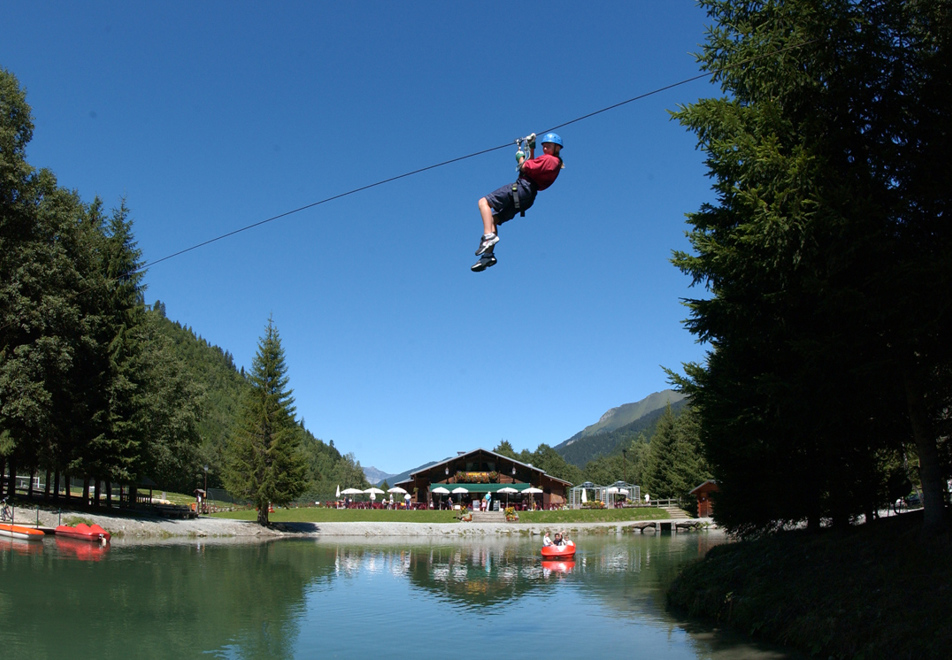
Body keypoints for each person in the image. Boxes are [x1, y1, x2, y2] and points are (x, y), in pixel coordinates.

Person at [472, 132, 564, 272]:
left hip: (522, 188)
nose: (545, 149)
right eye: (544, 146)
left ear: (557, 148)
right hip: (527, 196)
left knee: (483, 202)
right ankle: (488, 255)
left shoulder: (550, 160)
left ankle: (488, 237)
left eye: (548, 146)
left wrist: (520, 158)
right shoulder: (551, 163)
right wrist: (531, 149)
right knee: (493, 220)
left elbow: (525, 167)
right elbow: (532, 168)